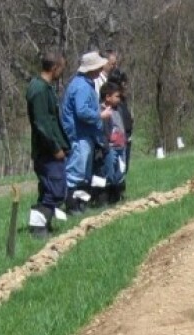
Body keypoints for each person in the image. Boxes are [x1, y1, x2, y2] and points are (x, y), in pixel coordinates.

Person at [25, 50, 70, 238]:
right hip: (47, 152)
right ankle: (37, 227)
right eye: (61, 68)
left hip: (51, 149)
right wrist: (55, 148)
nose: (61, 72)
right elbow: (42, 124)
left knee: (48, 189)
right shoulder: (39, 90)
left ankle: (42, 226)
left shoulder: (45, 87)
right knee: (56, 190)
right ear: (54, 68)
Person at [61, 51, 113, 214]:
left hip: (86, 135)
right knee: (76, 171)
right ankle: (71, 205)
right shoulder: (81, 86)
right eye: (98, 66)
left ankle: (80, 203)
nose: (100, 69)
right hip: (78, 136)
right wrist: (100, 115)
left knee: (84, 172)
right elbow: (82, 111)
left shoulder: (86, 83)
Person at [97, 81, 128, 205]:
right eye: (116, 96)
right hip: (110, 148)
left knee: (120, 171)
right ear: (107, 97)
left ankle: (117, 195)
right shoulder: (102, 110)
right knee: (109, 172)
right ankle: (105, 197)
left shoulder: (118, 110)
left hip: (121, 146)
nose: (119, 99)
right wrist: (105, 145)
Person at [107, 69, 134, 169]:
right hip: (117, 141)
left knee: (123, 169)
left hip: (126, 137)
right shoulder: (113, 103)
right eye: (124, 83)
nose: (126, 86)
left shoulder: (123, 100)